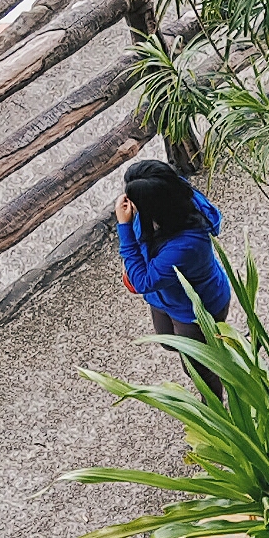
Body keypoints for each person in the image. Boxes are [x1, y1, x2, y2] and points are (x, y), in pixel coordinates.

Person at [113, 157, 232, 379]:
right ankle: (217, 346)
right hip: (165, 297)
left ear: (153, 208)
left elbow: (143, 281)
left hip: (194, 311)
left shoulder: (185, 245)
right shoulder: (174, 196)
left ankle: (214, 406)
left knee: (199, 371)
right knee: (167, 341)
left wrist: (124, 228)